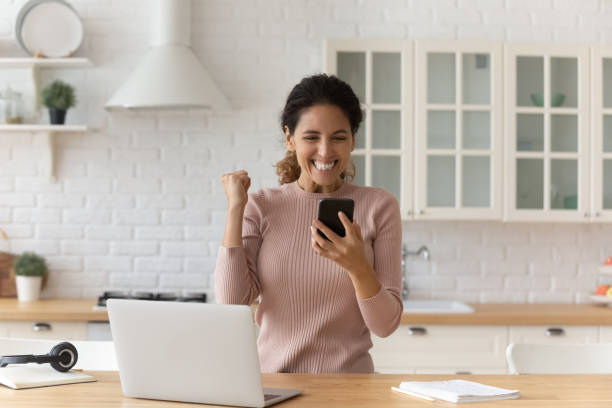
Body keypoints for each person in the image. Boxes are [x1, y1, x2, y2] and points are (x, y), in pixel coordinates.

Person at [215, 74, 402, 373]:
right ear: (290, 138)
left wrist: (357, 267)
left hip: (351, 394)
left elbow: (385, 325)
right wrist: (236, 209)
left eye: (338, 137)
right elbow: (231, 302)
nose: (325, 152)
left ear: (353, 139)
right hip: (273, 389)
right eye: (311, 137)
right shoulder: (261, 206)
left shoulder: (380, 207)